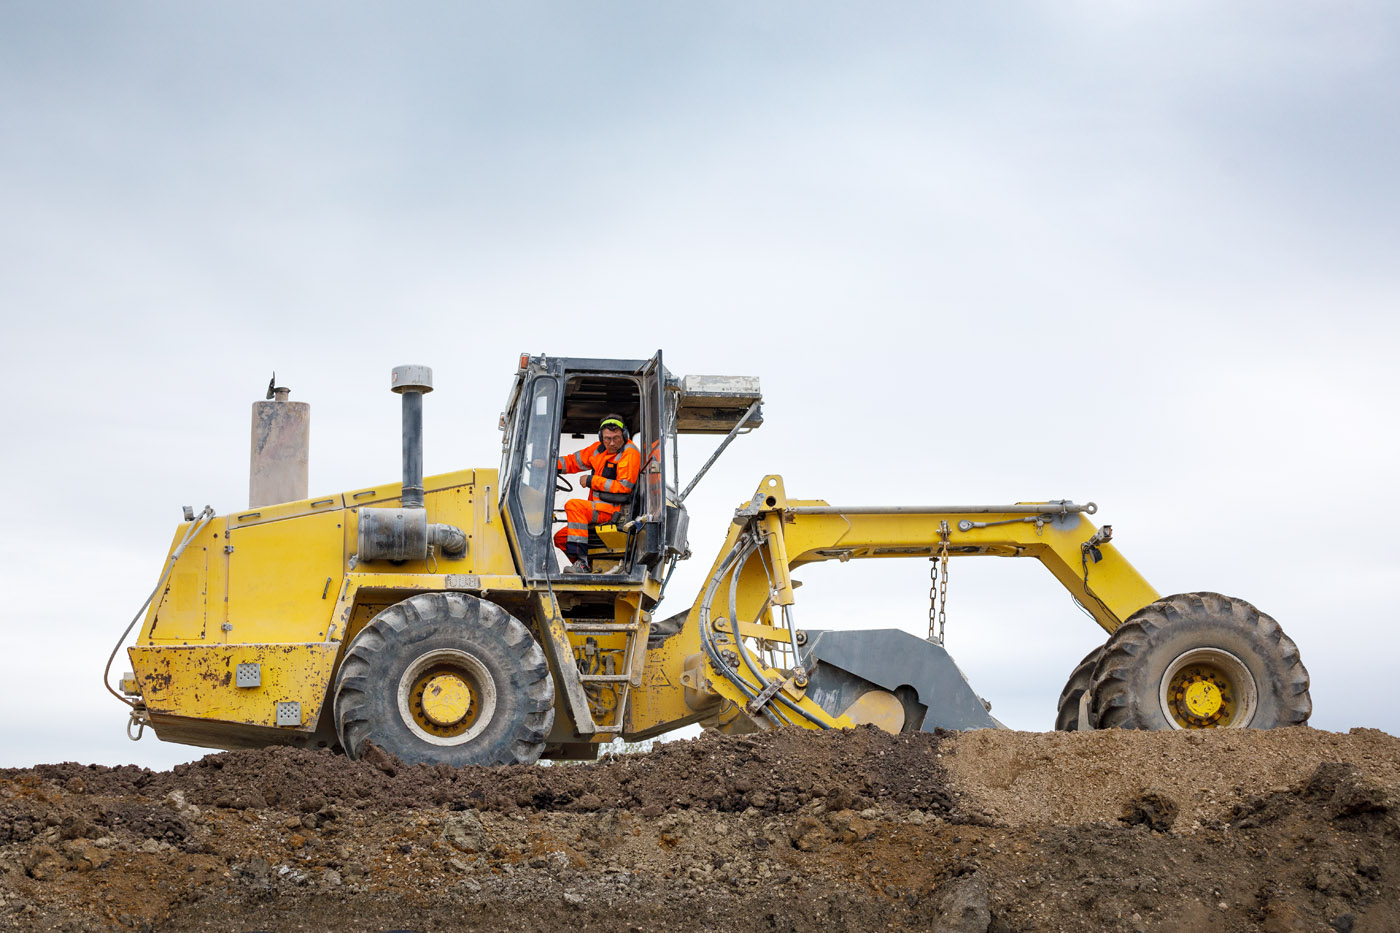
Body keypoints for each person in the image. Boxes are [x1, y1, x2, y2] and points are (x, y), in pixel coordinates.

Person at [553, 414, 642, 573]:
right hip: (598, 509)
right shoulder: (597, 450)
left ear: (625, 436)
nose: (612, 443)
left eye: (616, 438)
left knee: (574, 506)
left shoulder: (630, 453)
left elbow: (624, 487)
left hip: (614, 511)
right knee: (560, 538)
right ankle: (585, 568)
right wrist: (549, 463)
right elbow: (572, 461)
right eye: (607, 439)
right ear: (601, 437)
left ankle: (581, 562)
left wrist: (591, 481)